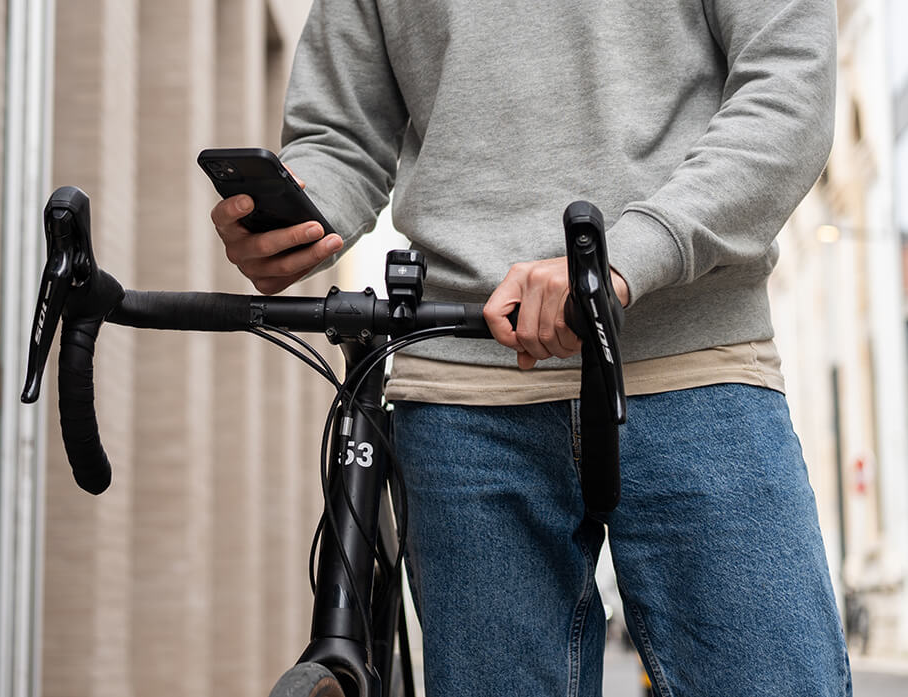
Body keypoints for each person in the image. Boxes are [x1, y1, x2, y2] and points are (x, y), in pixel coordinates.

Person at [211, 1, 850, 695]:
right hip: (465, 398)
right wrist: (300, 218)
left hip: (695, 366)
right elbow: (339, 135)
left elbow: (788, 88)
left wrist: (626, 256)